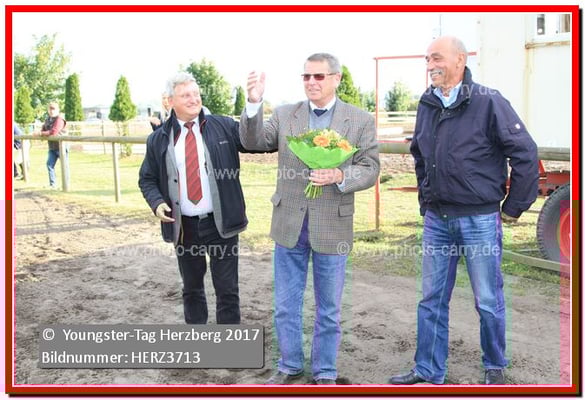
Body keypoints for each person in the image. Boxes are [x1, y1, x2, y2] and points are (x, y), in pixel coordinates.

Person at [388, 36, 539, 386]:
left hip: (479, 219)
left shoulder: (488, 101)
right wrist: (426, 199)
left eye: (437, 58)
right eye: (427, 59)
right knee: (431, 299)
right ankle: (428, 369)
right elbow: (420, 155)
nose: (430, 65)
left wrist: (514, 206)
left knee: (487, 298)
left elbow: (525, 152)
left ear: (460, 59)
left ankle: (494, 365)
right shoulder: (427, 103)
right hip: (437, 220)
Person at [240, 53, 380, 385]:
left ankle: (325, 371)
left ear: (336, 79)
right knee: (285, 305)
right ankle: (289, 365)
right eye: (306, 76)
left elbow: (371, 167)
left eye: (319, 76)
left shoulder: (360, 120)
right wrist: (254, 102)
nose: (311, 82)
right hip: (289, 225)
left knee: (328, 309)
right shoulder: (285, 114)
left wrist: (340, 175)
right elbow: (252, 142)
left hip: (333, 225)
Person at [139, 71, 260, 325]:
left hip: (222, 224)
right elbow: (147, 178)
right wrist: (157, 203)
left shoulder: (223, 126)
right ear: (170, 101)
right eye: (185, 95)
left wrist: (253, 102)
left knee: (227, 290)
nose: (194, 99)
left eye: (196, 94)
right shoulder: (158, 139)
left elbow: (253, 141)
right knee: (192, 289)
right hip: (184, 227)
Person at [38, 102, 67, 189]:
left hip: (61, 147)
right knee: (49, 164)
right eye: (50, 109)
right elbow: (43, 129)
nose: (51, 111)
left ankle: (66, 185)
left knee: (64, 166)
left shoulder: (60, 120)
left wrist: (41, 133)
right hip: (52, 147)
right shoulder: (48, 120)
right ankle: (52, 184)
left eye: (53, 109)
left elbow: (54, 132)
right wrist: (41, 133)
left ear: (58, 110)